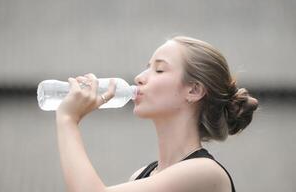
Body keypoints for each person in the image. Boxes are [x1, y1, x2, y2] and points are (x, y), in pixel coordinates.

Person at [55, 36, 258, 192]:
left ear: (194, 90)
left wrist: (68, 120)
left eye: (159, 70)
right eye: (147, 68)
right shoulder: (141, 176)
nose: (139, 78)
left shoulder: (206, 173)